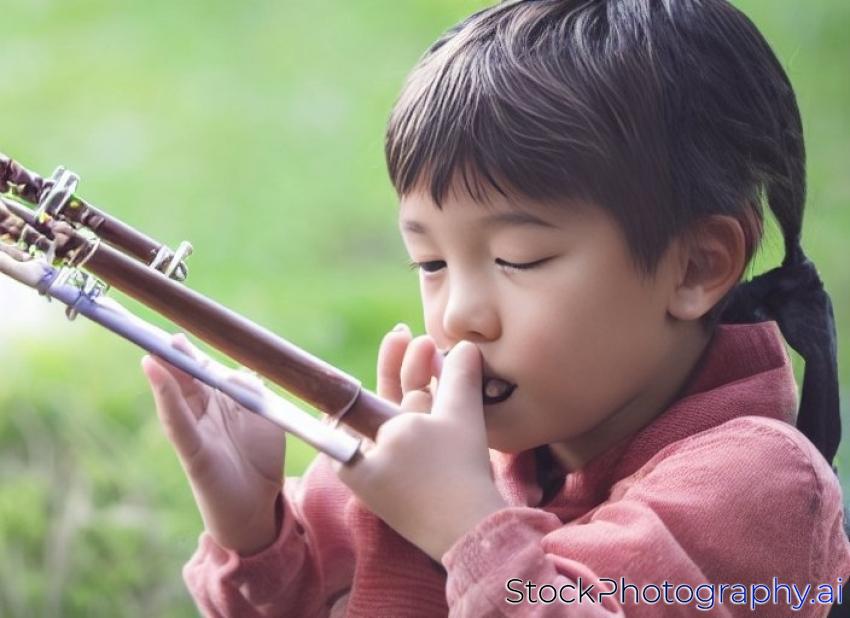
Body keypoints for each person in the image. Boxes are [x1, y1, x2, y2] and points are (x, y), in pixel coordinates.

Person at [141, 0, 850, 615]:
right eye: (431, 264)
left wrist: (462, 528)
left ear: (696, 266)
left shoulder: (761, 482)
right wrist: (255, 533)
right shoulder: (464, 452)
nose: (459, 316)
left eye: (519, 259)